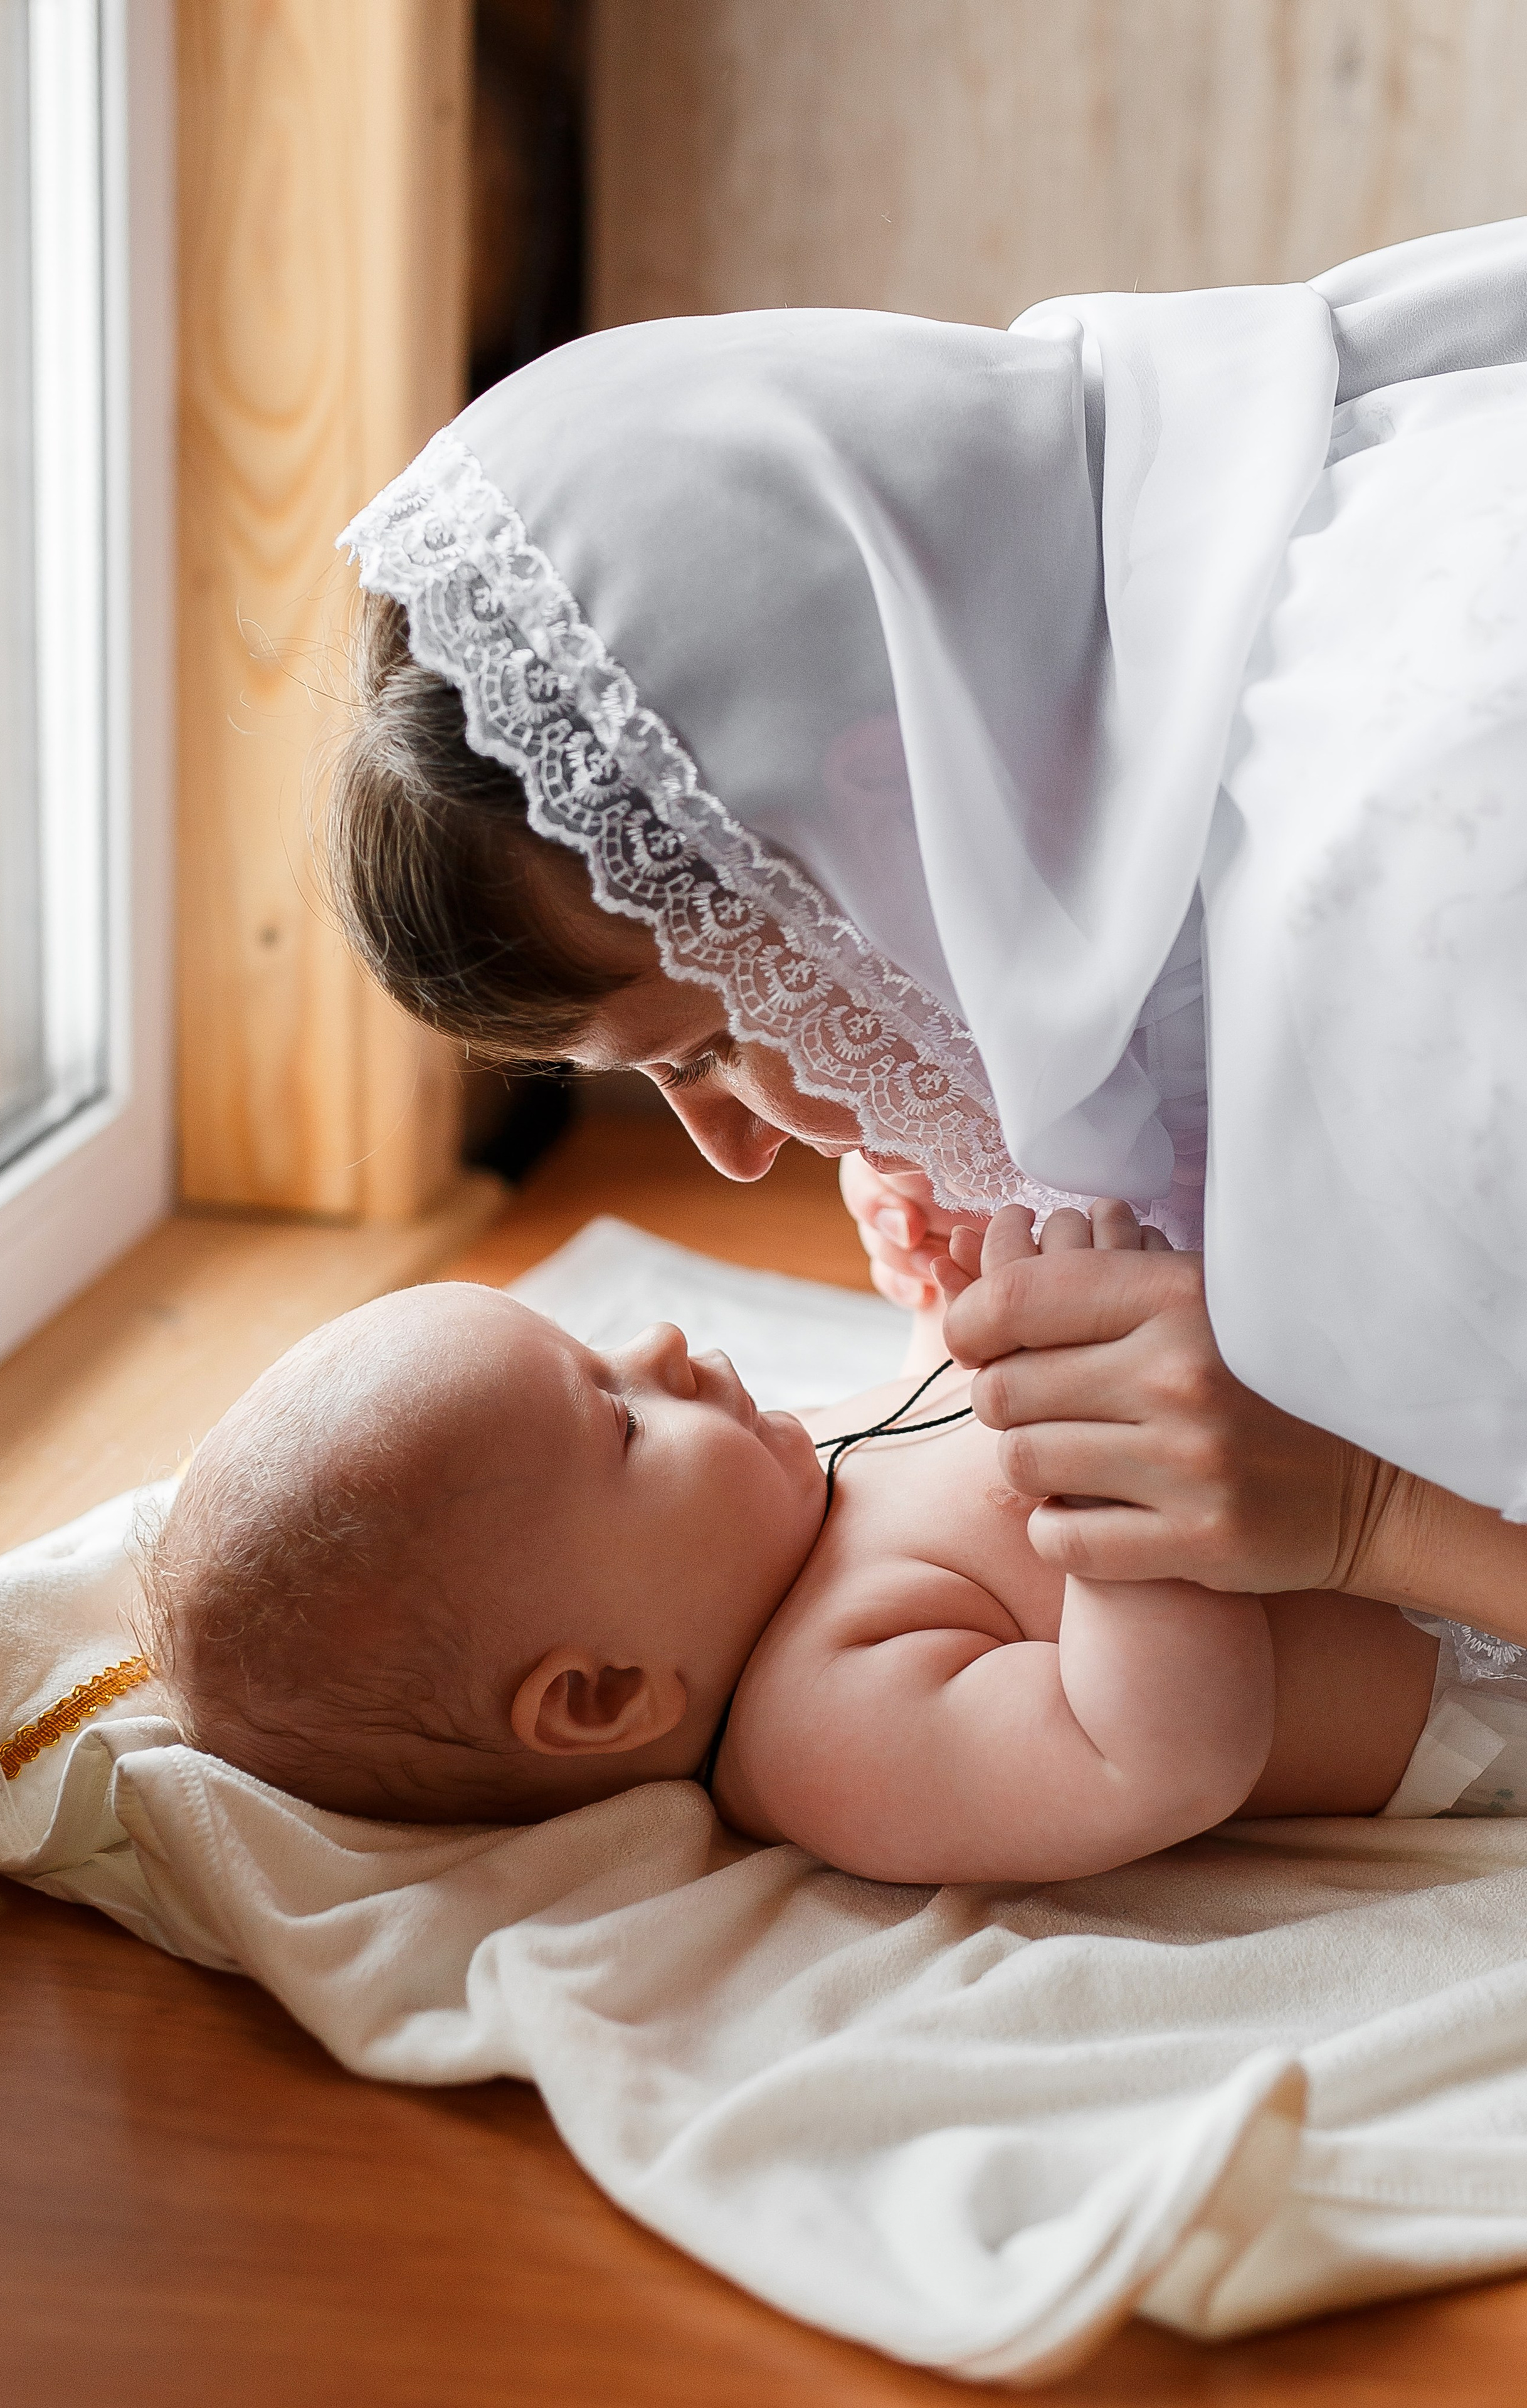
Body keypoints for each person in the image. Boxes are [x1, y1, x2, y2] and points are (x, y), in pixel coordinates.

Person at [324, 218, 1527, 1639]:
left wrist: (1371, 1512)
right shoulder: (1188, 510)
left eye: (711, 1041)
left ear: (889, 812)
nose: (737, 1151)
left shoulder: (1418, 876)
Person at [139, 1202, 1511, 1883]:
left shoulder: (772, 1509)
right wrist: (1109, 1498)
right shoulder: (823, 1729)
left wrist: (945, 1300)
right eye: (618, 1418)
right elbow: (1151, 1756)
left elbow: (940, 1422)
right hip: (1466, 1649)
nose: (659, 1344)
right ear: (603, 1693)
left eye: (598, 1343)